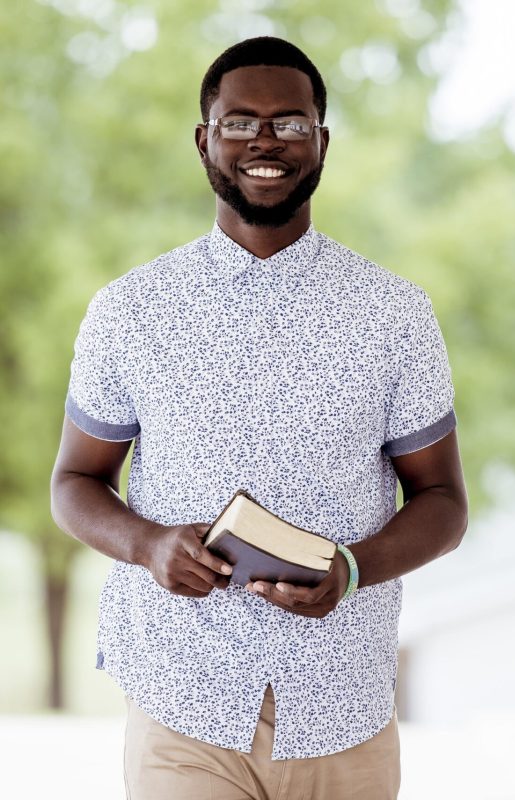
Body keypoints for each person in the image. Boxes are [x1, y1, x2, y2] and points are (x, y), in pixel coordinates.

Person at [51, 36, 468, 800]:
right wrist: (146, 544)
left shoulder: (396, 315)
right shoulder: (128, 312)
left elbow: (443, 504)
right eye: (240, 122)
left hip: (343, 706)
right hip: (183, 705)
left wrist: (351, 569)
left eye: (291, 123)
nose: (266, 141)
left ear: (322, 142)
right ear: (205, 140)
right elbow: (75, 482)